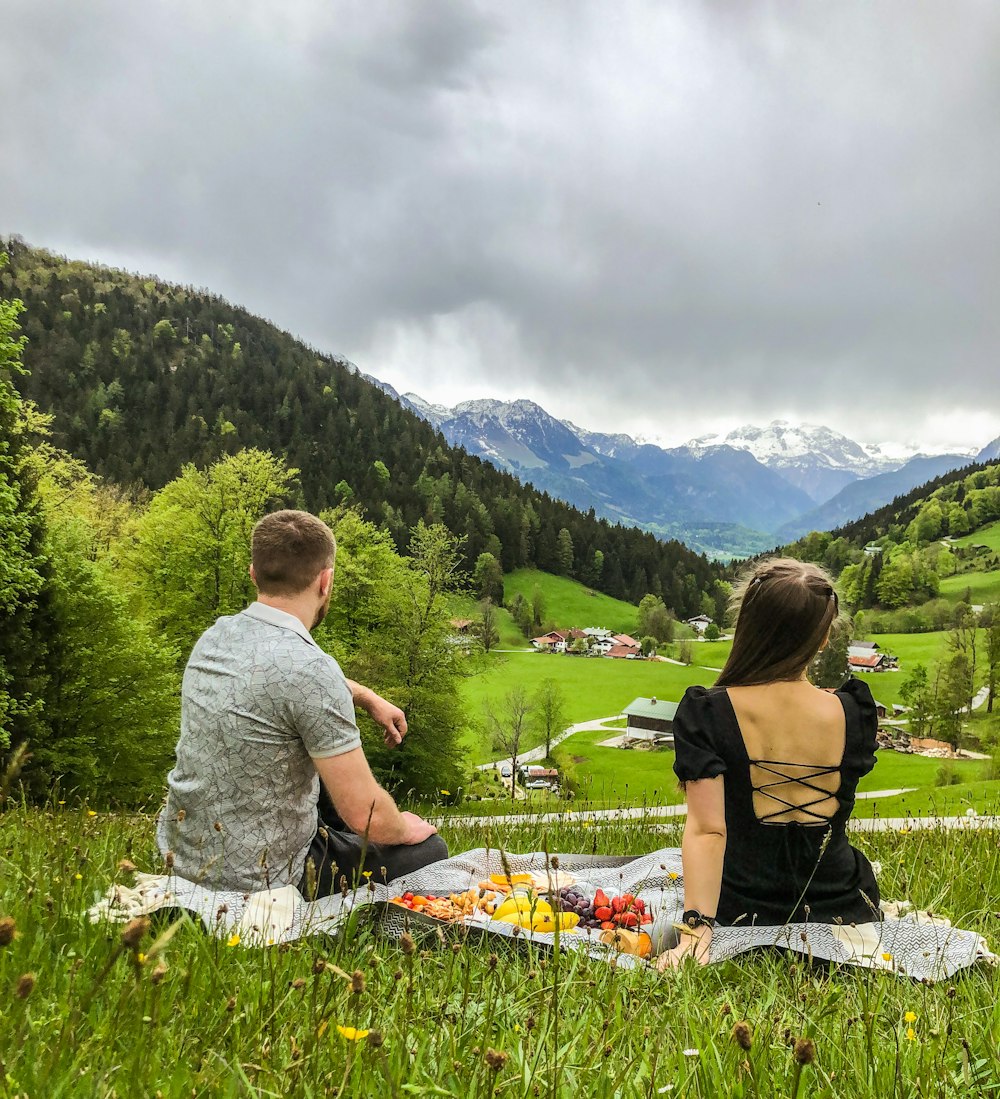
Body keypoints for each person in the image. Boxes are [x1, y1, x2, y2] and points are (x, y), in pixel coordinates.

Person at [156, 509, 447, 897]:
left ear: (253, 574)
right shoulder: (312, 670)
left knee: (324, 776)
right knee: (430, 850)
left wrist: (365, 696)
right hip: (267, 876)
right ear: (325, 581)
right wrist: (404, 827)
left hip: (185, 859)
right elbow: (367, 817)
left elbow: (279, 680)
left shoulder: (215, 637)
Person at [658, 558, 880, 969]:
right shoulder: (853, 712)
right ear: (822, 639)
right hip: (844, 907)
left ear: (749, 627)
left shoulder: (708, 713)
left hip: (741, 909)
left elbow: (708, 831)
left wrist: (696, 933)